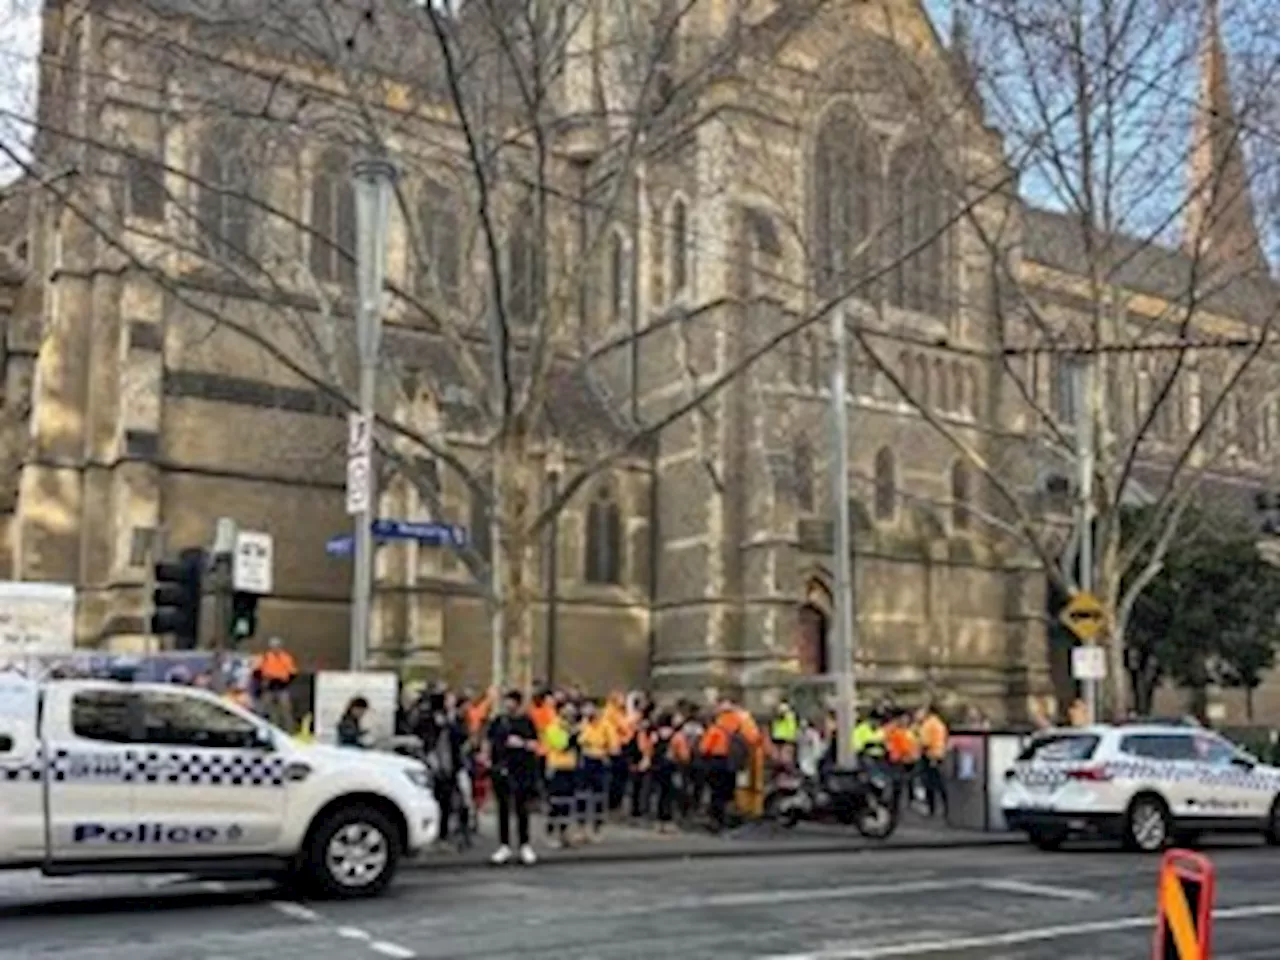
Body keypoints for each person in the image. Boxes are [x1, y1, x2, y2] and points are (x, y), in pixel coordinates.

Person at [486, 689, 539, 866]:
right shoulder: (498, 721)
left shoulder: (527, 722)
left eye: (511, 701)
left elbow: (535, 744)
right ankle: (504, 845)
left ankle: (524, 845)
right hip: (501, 770)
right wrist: (487, 760)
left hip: (522, 770)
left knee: (521, 808)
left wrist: (521, 743)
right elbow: (489, 741)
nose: (508, 705)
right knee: (503, 808)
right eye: (506, 701)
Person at [540, 701, 579, 847]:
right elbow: (562, 745)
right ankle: (550, 832)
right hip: (557, 768)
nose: (571, 715)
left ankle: (565, 833)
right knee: (556, 802)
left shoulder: (571, 728)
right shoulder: (553, 727)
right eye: (567, 711)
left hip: (570, 767)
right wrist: (572, 735)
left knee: (568, 802)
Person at [576, 699, 614, 842]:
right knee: (582, 794)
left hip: (599, 760)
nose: (590, 712)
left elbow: (612, 745)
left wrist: (603, 749)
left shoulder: (605, 725)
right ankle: (581, 828)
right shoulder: (582, 724)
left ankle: (597, 827)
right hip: (585, 759)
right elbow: (578, 740)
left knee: (598, 795)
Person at [254, 637, 298, 731]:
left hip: (281, 687)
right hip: (269, 687)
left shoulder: (286, 658)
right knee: (267, 710)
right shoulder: (265, 657)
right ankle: (270, 730)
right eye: (274, 646)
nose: (276, 648)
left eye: (277, 646)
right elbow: (257, 672)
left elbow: (293, 673)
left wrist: (285, 682)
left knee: (286, 711)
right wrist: (262, 682)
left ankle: (289, 732)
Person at [917, 703, 950, 819]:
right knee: (940, 784)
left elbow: (924, 742)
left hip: (929, 755)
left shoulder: (928, 724)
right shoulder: (940, 723)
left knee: (929, 784)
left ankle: (931, 809)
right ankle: (947, 807)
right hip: (939, 754)